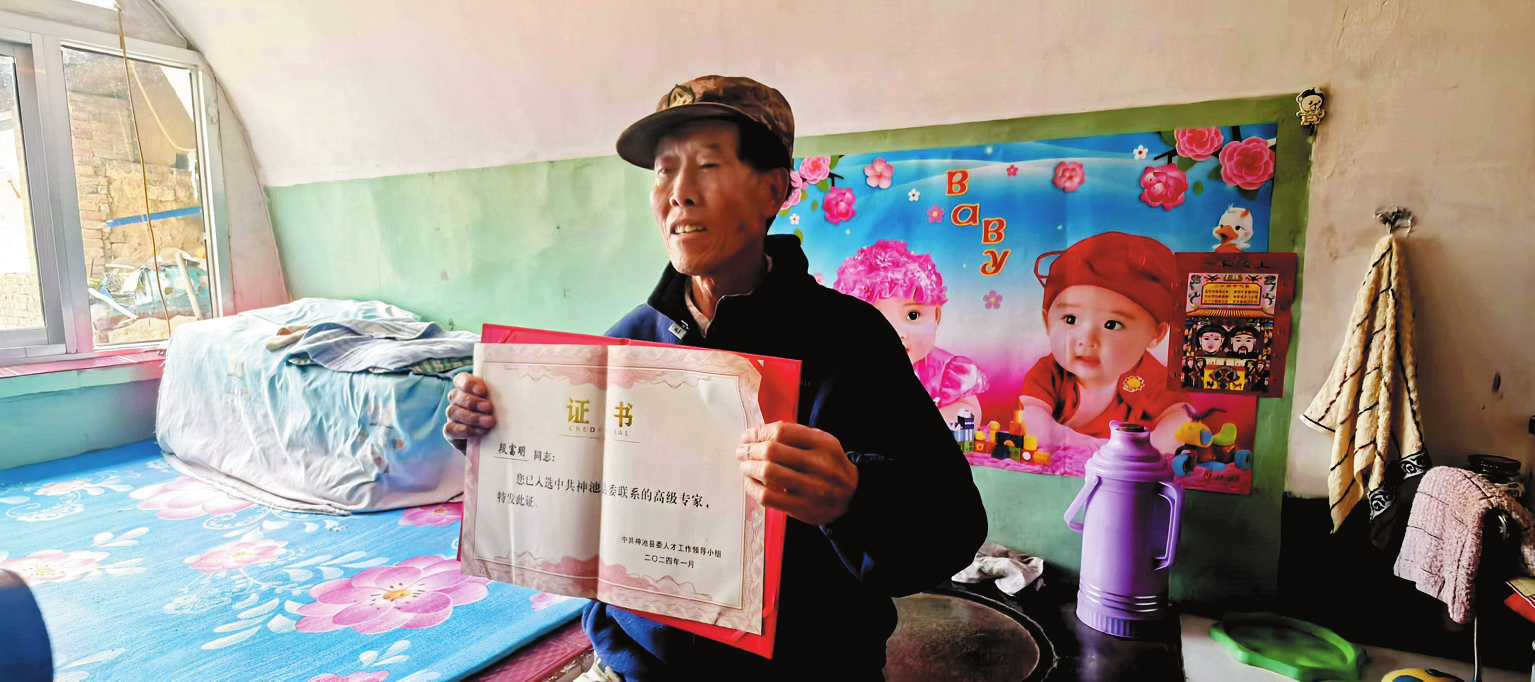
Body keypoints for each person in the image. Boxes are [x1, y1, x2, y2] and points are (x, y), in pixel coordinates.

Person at [443, 76, 987, 681]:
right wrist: (497, 440)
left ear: (773, 189)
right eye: (664, 171)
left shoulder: (850, 340)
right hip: (638, 668)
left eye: (707, 165)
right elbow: (581, 504)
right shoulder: (627, 343)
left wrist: (854, 497)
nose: (679, 193)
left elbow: (954, 529)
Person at [1017, 231, 1194, 454]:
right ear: (1047, 322)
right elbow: (1029, 416)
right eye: (1070, 320)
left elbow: (1182, 418)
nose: (1086, 340)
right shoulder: (1049, 373)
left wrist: (1145, 448)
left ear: (1155, 335)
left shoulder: (1149, 376)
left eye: (1112, 325)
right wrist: (1076, 442)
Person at [833, 239, 990, 425]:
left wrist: (922, 426)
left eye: (913, 315)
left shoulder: (946, 372)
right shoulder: (849, 370)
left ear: (936, 317)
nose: (897, 333)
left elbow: (969, 411)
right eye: (876, 319)